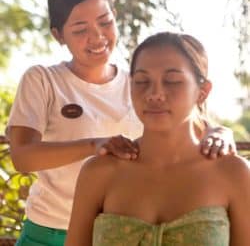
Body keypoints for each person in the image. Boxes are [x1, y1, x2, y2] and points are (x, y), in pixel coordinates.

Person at [6, 0, 236, 246]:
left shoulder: (139, 82)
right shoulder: (43, 80)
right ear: (58, 35)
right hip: (50, 231)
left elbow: (191, 123)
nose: (97, 36)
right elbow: (23, 157)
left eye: (105, 22)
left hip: (117, 231)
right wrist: (96, 145)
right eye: (80, 29)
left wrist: (221, 132)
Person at [65, 32, 250, 246]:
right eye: (142, 81)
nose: (154, 93)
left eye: (172, 81)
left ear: (202, 91)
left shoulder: (234, 174)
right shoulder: (99, 173)